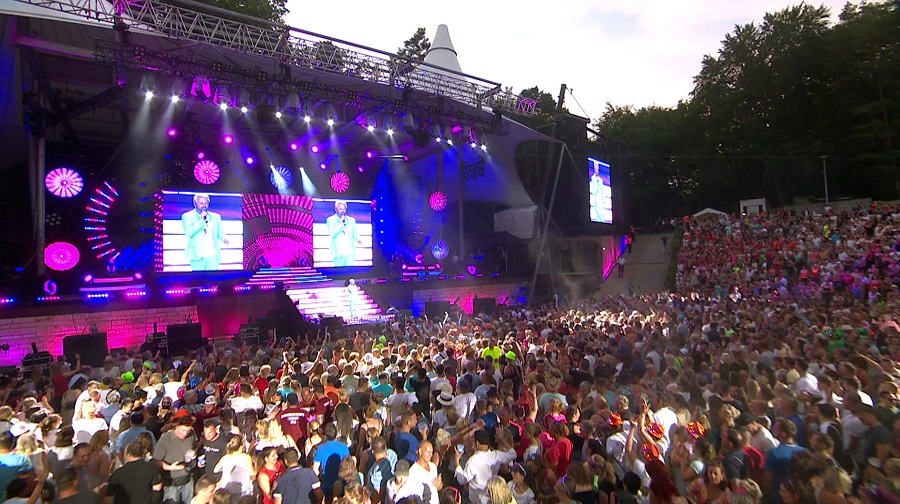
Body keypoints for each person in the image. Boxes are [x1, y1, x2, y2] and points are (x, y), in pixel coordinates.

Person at [153, 416, 198, 504]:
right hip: (171, 484)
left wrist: (194, 453)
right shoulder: (165, 439)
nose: (185, 434)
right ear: (176, 427)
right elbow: (156, 461)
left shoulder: (191, 434)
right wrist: (170, 467)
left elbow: (195, 446)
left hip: (188, 479)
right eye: (183, 430)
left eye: (188, 431)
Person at [181, 193, 228, 271]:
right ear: (195, 204)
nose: (204, 205)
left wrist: (224, 239)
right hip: (197, 255)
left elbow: (220, 233)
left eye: (206, 203)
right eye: (201, 203)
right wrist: (201, 221)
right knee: (199, 280)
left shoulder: (216, 217)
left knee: (213, 280)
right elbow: (189, 232)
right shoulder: (187, 216)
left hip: (213, 255)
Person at [326, 200, 360, 267]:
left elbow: (355, 235)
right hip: (338, 253)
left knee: (350, 273)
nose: (343, 211)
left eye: (344, 208)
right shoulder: (330, 220)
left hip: (350, 253)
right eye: (340, 209)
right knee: (339, 274)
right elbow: (332, 234)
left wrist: (360, 240)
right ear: (336, 209)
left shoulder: (351, 220)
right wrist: (341, 224)